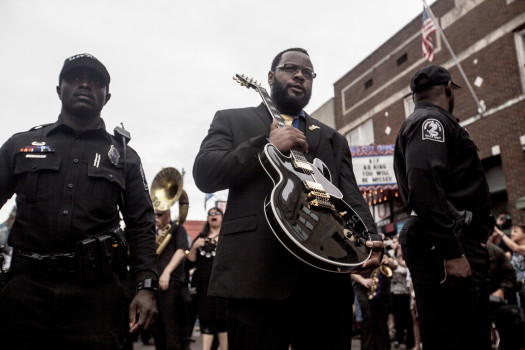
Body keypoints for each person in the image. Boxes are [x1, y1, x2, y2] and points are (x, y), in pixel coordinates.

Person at [193, 47, 383, 350]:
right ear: (270, 76)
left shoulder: (333, 138)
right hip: (255, 280)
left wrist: (369, 238)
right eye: (290, 68)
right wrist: (266, 144)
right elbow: (205, 174)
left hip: (326, 278)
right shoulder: (232, 120)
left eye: (308, 73)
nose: (300, 76)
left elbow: (351, 195)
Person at [0, 53, 159, 349]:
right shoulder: (20, 145)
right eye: (74, 79)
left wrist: (146, 286)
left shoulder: (124, 156)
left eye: (95, 82)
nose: (85, 85)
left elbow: (141, 225)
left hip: (96, 298)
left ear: (106, 97)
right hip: (25, 292)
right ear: (59, 90)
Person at [393, 65, 494, 350]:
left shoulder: (423, 120)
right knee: (459, 336)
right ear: (449, 88)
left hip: (448, 238)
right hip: (447, 242)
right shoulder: (430, 122)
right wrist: (453, 251)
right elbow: (424, 186)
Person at [186, 207, 228, 350]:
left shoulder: (226, 237)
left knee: (223, 321)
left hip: (222, 286)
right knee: (206, 320)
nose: (213, 215)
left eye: (217, 213)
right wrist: (194, 248)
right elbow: (190, 262)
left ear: (222, 218)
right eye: (210, 213)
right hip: (204, 287)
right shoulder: (200, 237)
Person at [152, 208, 190, 350]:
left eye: (159, 214)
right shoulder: (152, 231)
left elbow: (181, 251)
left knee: (171, 327)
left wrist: (166, 272)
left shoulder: (177, 228)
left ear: (168, 215)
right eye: (154, 214)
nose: (156, 217)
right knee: (157, 327)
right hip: (154, 283)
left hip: (171, 283)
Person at [351, 252, 396, 350]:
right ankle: (367, 347)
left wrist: (388, 261)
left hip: (382, 291)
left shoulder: (382, 249)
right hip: (363, 288)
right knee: (369, 318)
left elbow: (394, 265)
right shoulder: (360, 250)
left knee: (382, 321)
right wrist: (363, 281)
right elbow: (351, 270)